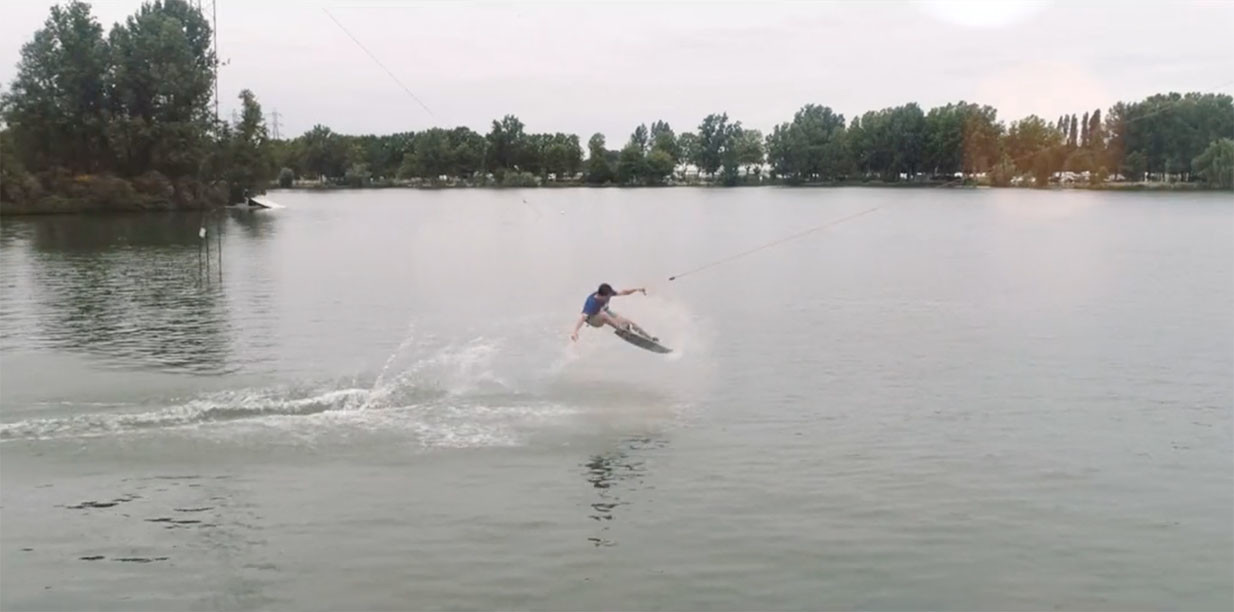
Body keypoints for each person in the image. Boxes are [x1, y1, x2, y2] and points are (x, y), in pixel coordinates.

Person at [570, 283, 657, 342]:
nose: (609, 297)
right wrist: (575, 332)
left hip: (606, 313)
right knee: (604, 315)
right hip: (592, 320)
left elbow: (624, 292)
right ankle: (621, 330)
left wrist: (637, 290)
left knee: (629, 322)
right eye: (607, 296)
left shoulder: (608, 293)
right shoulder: (592, 302)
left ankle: (649, 338)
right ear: (601, 295)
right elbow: (583, 317)